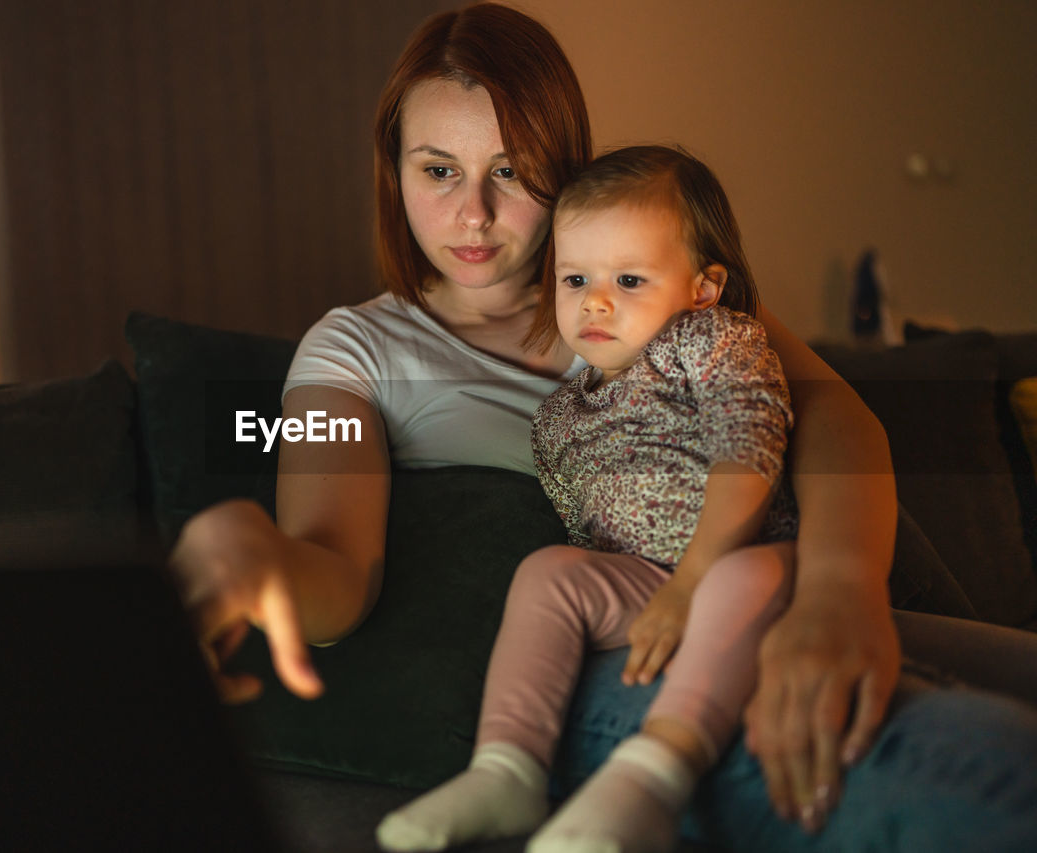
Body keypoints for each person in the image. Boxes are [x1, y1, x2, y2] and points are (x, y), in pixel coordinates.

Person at [171, 3, 1037, 850]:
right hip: (614, 654)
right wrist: (259, 549)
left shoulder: (643, 278)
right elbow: (334, 572)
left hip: (796, 584)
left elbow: (836, 419)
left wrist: (841, 594)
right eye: (438, 171)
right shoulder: (354, 350)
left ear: (564, 166)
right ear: (392, 172)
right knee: (984, 761)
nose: (473, 213)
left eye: (509, 172)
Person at [377, 144, 800, 852]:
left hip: (750, 565)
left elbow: (749, 450)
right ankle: (507, 765)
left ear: (701, 287)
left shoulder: (712, 341)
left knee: (740, 577)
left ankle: (652, 778)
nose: (596, 300)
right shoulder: (560, 416)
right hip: (647, 585)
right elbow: (586, 537)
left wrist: (693, 579)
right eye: (576, 278)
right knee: (549, 572)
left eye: (629, 279)